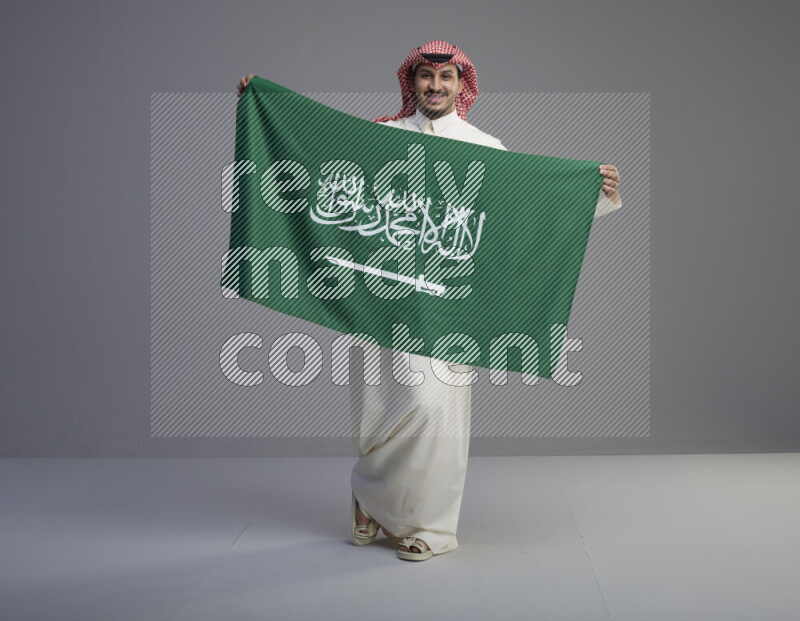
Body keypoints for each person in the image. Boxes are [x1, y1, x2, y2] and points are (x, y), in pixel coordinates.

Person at [236, 41, 622, 561]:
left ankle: (432, 528)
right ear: (411, 82)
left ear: (463, 85)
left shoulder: (484, 147)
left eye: (446, 77)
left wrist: (589, 194)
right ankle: (369, 497)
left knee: (433, 407)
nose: (435, 86)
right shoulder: (380, 139)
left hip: (447, 307)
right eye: (425, 76)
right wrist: (263, 103)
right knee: (379, 411)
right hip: (378, 299)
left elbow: (523, 214)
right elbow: (316, 159)